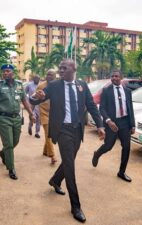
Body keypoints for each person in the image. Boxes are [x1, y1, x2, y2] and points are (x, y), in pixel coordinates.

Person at [30, 59, 105, 223]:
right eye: (60, 67)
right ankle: (76, 206)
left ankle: (55, 180)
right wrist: (35, 97)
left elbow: (91, 106)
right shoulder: (55, 85)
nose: (60, 70)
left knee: (69, 161)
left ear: (73, 69)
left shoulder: (82, 85)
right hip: (62, 130)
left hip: (77, 130)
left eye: (64, 68)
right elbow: (37, 99)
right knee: (70, 167)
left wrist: (100, 125)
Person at [0, 64, 35, 180]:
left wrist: (31, 114)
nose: (5, 73)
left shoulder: (19, 85)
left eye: (7, 71)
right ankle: (11, 168)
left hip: (16, 118)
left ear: (13, 72)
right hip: (4, 118)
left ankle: (3, 154)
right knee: (8, 144)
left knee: (15, 141)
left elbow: (24, 100)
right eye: (3, 72)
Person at [92, 70, 135, 182]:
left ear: (121, 77)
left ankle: (121, 172)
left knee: (126, 147)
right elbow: (102, 108)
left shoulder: (127, 91)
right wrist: (109, 121)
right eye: (112, 76)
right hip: (112, 123)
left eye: (116, 76)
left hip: (125, 122)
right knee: (108, 146)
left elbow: (130, 108)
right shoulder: (106, 91)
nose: (114, 78)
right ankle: (97, 154)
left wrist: (132, 124)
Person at [36, 69, 57, 164]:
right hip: (43, 112)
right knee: (49, 133)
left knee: (48, 133)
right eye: (47, 74)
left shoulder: (58, 85)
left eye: (51, 75)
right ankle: (52, 155)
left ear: (55, 76)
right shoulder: (41, 86)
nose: (49, 76)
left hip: (54, 113)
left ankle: (45, 151)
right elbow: (35, 99)